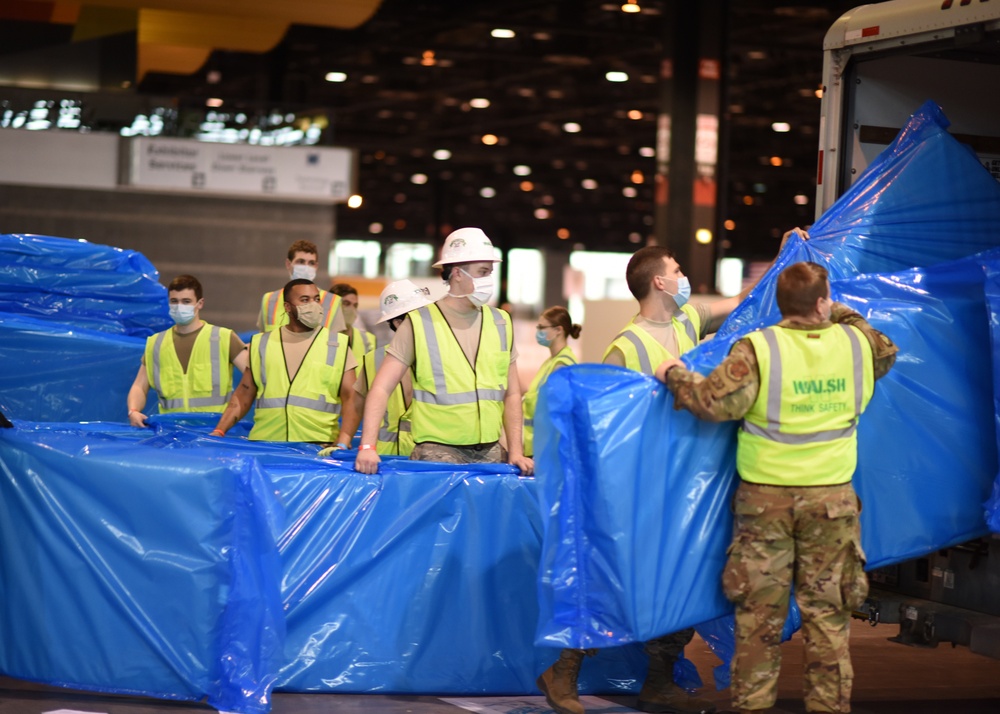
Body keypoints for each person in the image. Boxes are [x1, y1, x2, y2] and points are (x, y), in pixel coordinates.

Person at [656, 262, 898, 714]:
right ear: (823, 302)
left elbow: (711, 402)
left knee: (758, 622)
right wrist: (839, 310)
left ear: (781, 305)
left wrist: (673, 374)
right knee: (828, 620)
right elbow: (884, 347)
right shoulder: (856, 344)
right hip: (831, 504)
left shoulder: (759, 348)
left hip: (764, 505)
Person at [352, 227, 533, 475]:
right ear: (457, 273)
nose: (489, 280)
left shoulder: (501, 321)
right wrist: (367, 446)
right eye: (482, 272)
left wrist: (515, 451)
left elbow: (512, 393)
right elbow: (381, 388)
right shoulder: (419, 322)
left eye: (490, 272)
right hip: (437, 451)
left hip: (491, 450)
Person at [213, 279, 359, 444]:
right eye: (305, 300)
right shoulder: (262, 344)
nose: (314, 305)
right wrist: (219, 430)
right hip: (266, 444)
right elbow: (244, 393)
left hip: (317, 447)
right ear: (288, 307)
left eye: (316, 299)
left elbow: (352, 398)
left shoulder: (337, 344)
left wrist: (343, 442)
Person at [127, 274, 247, 426]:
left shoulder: (223, 337)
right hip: (171, 434)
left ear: (200, 303)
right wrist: (133, 410)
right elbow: (139, 386)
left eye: (186, 301)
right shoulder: (156, 343)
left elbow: (254, 377)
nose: (179, 307)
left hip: (213, 434)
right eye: (174, 301)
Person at [346, 279, 434, 457]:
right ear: (396, 323)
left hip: (429, 458)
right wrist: (343, 442)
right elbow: (356, 404)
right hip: (383, 459)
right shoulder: (375, 359)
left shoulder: (443, 356)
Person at [522, 306, 581, 457]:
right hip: (537, 448)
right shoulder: (551, 362)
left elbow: (559, 414)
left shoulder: (562, 365)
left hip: (547, 452)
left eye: (542, 328)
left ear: (558, 330)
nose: (538, 332)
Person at [258, 240, 345, 334]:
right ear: (288, 264)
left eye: (311, 263)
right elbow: (264, 338)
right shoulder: (270, 300)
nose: (306, 267)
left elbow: (336, 342)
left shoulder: (332, 301)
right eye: (301, 262)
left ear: (316, 266)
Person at [330, 282, 375, 366]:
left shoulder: (369, 340)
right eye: (346, 303)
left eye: (355, 305)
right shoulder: (320, 337)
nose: (352, 309)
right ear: (333, 305)